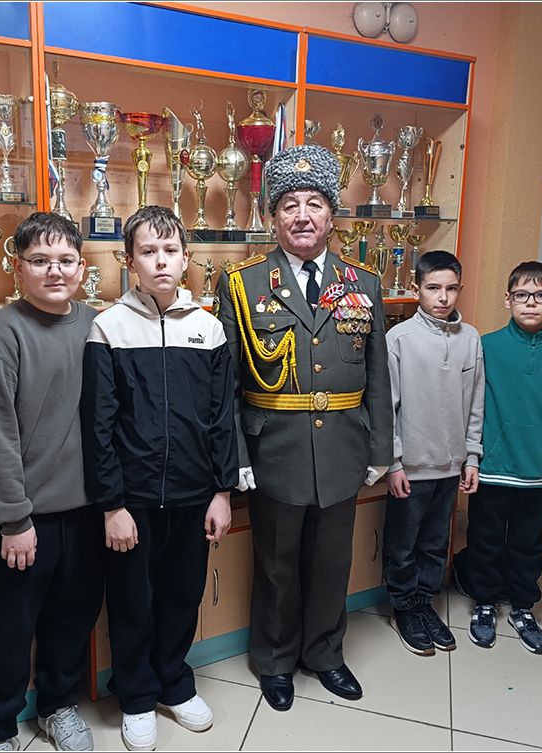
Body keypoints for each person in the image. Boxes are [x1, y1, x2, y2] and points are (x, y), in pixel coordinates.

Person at [213, 145, 392, 712]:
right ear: (272, 217)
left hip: (343, 448)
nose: (302, 215)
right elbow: (227, 384)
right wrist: (237, 456)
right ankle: (274, 660)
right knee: (276, 565)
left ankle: (325, 654)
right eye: (289, 204)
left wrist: (381, 448)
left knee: (332, 563)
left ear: (332, 215)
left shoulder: (363, 283)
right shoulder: (242, 284)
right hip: (275, 450)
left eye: (315, 203)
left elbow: (378, 373)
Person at [81, 206, 238, 752]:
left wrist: (222, 491)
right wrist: (112, 505)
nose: (161, 261)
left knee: (181, 594)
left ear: (186, 258)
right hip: (133, 500)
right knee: (132, 599)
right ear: (129, 262)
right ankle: (137, 695)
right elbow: (98, 425)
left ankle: (173, 680)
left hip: (195, 495)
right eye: (148, 251)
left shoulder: (208, 328)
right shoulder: (109, 327)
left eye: (170, 250)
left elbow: (222, 417)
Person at [0, 213, 103, 752]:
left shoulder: (98, 326)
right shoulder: (0, 335)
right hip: (22, 521)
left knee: (72, 618)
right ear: (17, 269)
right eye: (40, 261)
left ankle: (57, 706)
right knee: (8, 628)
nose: (54, 271)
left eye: (65, 260)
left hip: (87, 511)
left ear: (82, 268)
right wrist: (13, 519)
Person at [452, 261, 542, 655]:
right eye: (522, 295)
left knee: (530, 541)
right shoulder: (487, 345)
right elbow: (471, 404)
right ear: (507, 300)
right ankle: (485, 601)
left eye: (541, 295)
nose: (531, 303)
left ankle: (523, 606)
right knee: (485, 538)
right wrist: (470, 456)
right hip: (494, 467)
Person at [383, 250, 484, 656]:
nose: (443, 297)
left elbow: (475, 403)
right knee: (403, 544)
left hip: (451, 465)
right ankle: (404, 608)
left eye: (451, 289)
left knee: (435, 542)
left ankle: (424, 603)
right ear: (416, 289)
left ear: (461, 289)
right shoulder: (399, 339)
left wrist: (471, 456)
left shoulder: (471, 339)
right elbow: (387, 407)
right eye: (433, 288)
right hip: (410, 467)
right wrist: (393, 463)